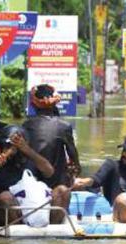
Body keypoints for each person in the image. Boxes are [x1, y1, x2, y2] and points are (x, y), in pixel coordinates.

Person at [22, 84, 81, 224]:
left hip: (31, 184)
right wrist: (76, 169)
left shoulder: (26, 126)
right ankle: (55, 223)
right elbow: (73, 156)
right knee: (65, 186)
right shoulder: (64, 126)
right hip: (56, 184)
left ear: (34, 105)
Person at [0, 125, 54, 226]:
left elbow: (49, 171)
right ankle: (18, 234)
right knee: (5, 197)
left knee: (62, 191)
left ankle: (53, 231)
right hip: (12, 213)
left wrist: (26, 149)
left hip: (35, 207)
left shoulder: (33, 160)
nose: (9, 149)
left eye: (13, 146)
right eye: (6, 146)